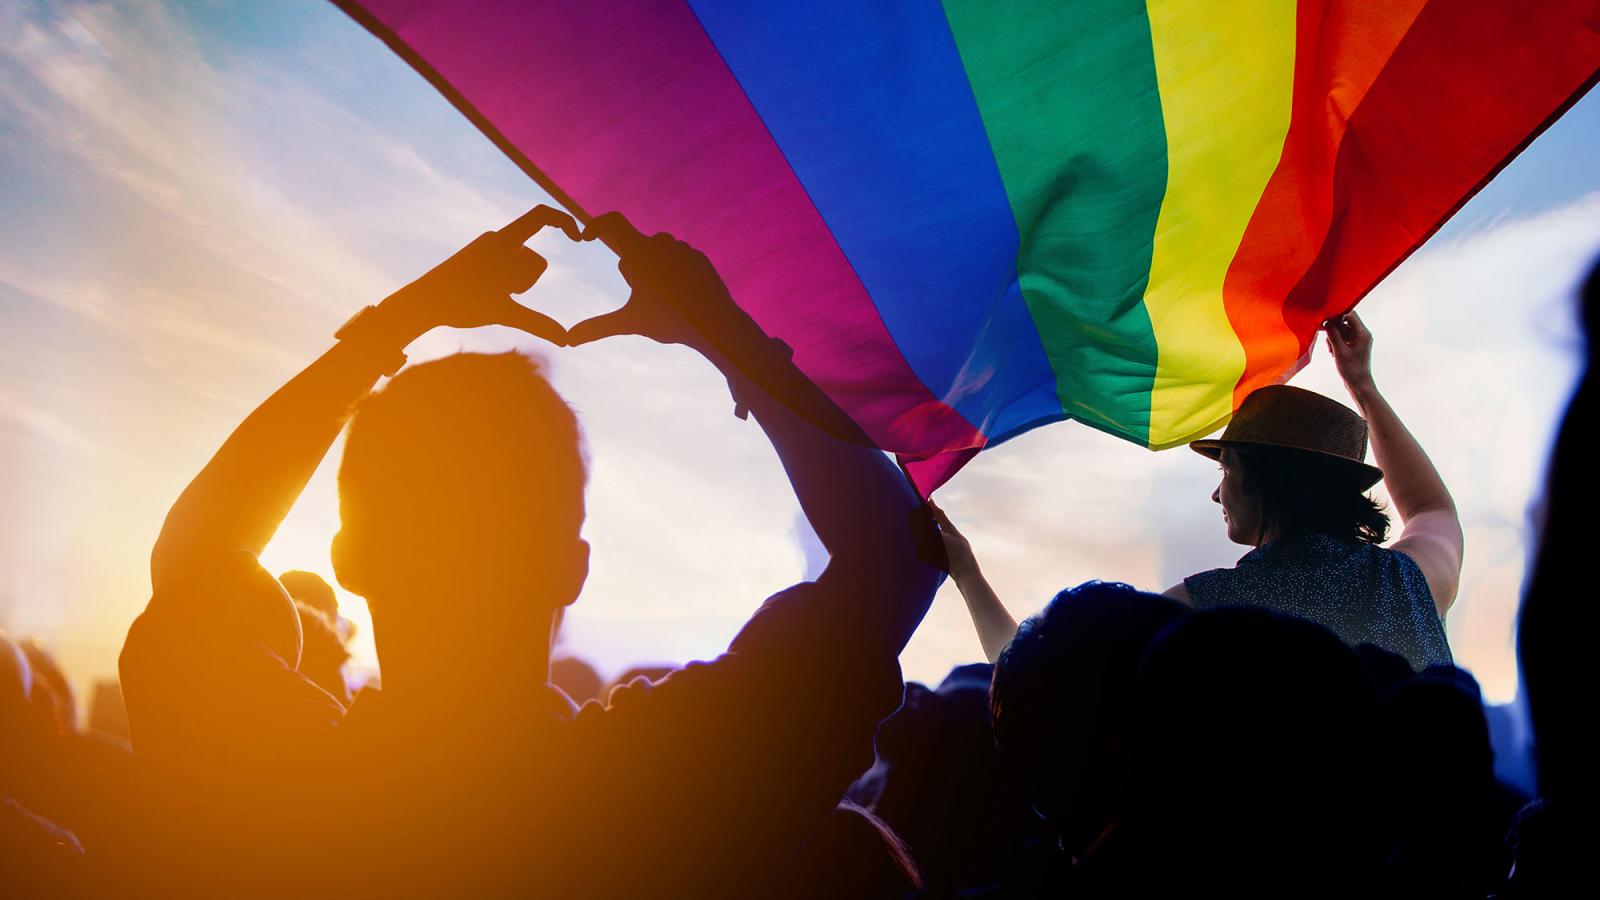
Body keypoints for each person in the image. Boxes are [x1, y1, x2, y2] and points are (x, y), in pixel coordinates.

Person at [117, 206, 944, 898]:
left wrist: (396, 324)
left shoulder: (281, 785)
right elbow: (895, 558)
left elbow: (198, 556)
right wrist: (722, 333)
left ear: (349, 557)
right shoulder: (656, 795)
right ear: (572, 567)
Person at [935, 311, 1460, 671]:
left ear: (1267, 483)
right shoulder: (1409, 582)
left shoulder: (1201, 611)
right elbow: (1431, 507)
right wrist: (1363, 385)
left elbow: (1031, 674)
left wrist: (966, 572)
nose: (1217, 494)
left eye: (1226, 470)